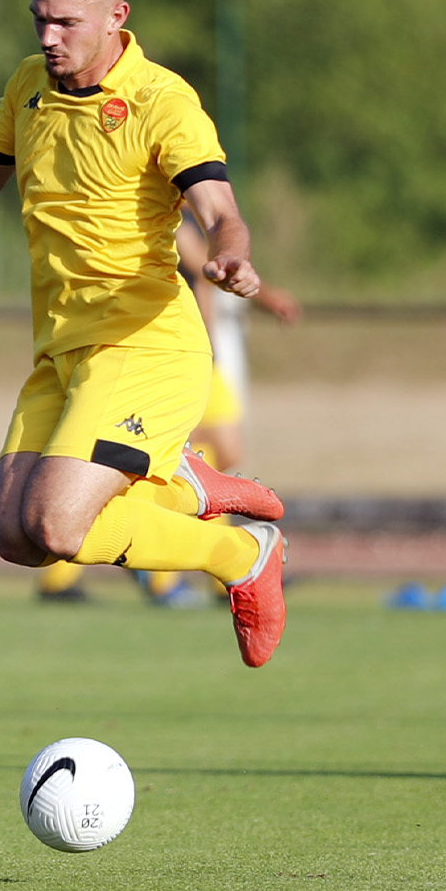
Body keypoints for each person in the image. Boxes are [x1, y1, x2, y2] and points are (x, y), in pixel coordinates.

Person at [0, 0, 289, 667]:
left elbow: (219, 208)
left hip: (145, 346)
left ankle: (240, 557)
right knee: (14, 535)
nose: (49, 37)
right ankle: (188, 483)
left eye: (66, 23)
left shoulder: (161, 100)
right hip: (62, 351)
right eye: (39, 19)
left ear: (118, 15)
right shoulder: (30, 84)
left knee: (59, 526)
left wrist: (232, 255)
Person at [38, 216, 302, 607]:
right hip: (165, 356)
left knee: (214, 456)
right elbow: (207, 266)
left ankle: (220, 570)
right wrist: (265, 294)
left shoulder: (181, 207)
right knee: (168, 462)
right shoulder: (161, 210)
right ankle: (168, 578)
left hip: (195, 357)